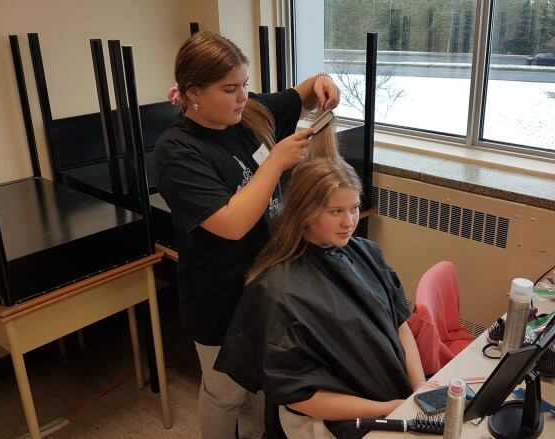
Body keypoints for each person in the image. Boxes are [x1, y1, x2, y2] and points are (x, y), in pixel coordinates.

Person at [154, 30, 340, 439]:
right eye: (230, 89)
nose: (242, 97)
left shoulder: (247, 114)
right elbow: (231, 223)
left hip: (267, 287)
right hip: (218, 299)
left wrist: (321, 82)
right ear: (192, 93)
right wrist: (275, 162)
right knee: (224, 394)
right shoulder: (177, 152)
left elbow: (303, 92)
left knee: (263, 380)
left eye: (245, 85)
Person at [215, 156, 426, 439]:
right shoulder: (277, 291)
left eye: (354, 208)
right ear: (305, 212)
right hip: (331, 420)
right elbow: (298, 393)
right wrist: (384, 408)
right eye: (336, 211)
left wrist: (420, 389)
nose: (349, 222)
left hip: (393, 395)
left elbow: (399, 324)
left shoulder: (367, 252)